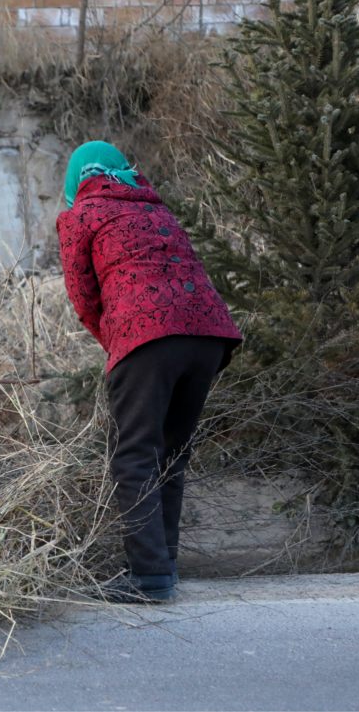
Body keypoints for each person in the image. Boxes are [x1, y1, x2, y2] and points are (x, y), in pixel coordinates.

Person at [56, 141, 242, 602]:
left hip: (148, 332)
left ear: (76, 181)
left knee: (135, 455)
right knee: (170, 454)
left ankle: (149, 577)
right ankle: (164, 565)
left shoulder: (81, 215)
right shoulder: (156, 208)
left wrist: (121, 345)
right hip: (209, 334)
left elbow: (84, 299)